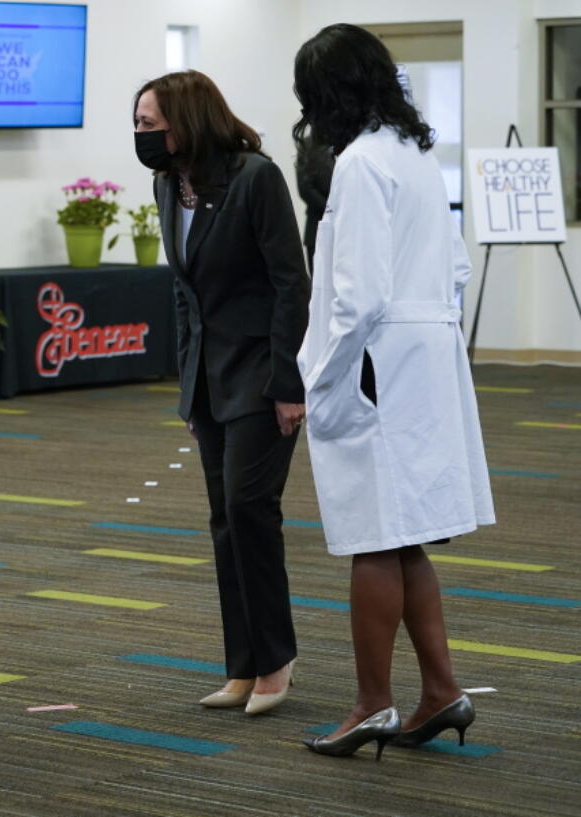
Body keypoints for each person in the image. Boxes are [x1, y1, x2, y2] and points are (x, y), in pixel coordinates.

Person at [293, 24, 495, 759]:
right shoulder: (416, 154)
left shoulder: (358, 162)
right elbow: (460, 270)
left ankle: (372, 703)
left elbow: (357, 295)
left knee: (374, 537)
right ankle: (441, 690)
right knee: (405, 534)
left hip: (373, 366)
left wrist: (323, 373)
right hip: (424, 363)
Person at [134, 71, 309, 715]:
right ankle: (242, 663)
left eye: (150, 124)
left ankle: (275, 662)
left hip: (263, 376)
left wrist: (287, 383)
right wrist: (188, 390)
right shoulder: (166, 183)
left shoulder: (254, 177)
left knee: (250, 512)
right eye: (139, 124)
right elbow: (186, 294)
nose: (141, 135)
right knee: (224, 523)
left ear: (186, 120)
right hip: (208, 381)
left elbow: (292, 284)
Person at [294, 140, 334, 273]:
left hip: (350, 229)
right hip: (316, 226)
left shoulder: (352, 140)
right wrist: (334, 208)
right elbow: (305, 189)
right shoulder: (307, 144)